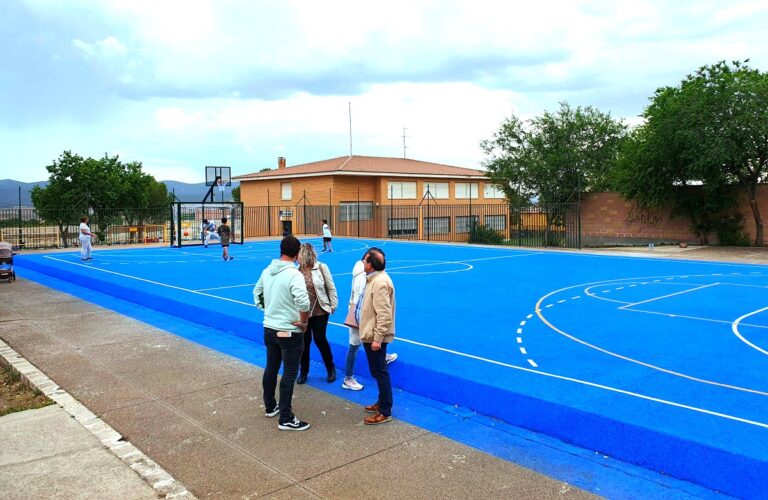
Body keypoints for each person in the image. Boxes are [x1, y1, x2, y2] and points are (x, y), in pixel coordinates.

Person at [253, 236, 311, 431]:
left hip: (269, 327)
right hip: (289, 330)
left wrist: (268, 310)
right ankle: (285, 417)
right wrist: (303, 321)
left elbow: (257, 293)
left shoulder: (267, 271)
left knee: (271, 367)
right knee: (289, 372)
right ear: (297, 254)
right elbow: (303, 302)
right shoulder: (294, 275)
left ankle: (270, 405)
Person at [342, 248, 398, 391]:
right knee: (355, 345)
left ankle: (382, 355)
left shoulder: (360, 271)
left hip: (357, 311)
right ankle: (348, 377)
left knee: (359, 344)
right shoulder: (365, 277)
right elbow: (365, 299)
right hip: (360, 314)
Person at [357, 248, 396, 425]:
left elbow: (384, 314)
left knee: (380, 371)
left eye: (365, 260)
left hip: (374, 336)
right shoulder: (374, 279)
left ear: (371, 264)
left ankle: (385, 410)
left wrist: (378, 339)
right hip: (370, 332)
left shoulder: (380, 283)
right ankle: (381, 402)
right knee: (377, 370)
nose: (362, 263)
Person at [296, 243, 339, 385]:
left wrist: (333, 305)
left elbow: (330, 287)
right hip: (304, 313)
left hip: (320, 310)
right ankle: (304, 371)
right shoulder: (297, 271)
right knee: (304, 342)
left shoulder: (321, 267)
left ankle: (330, 368)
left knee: (320, 339)